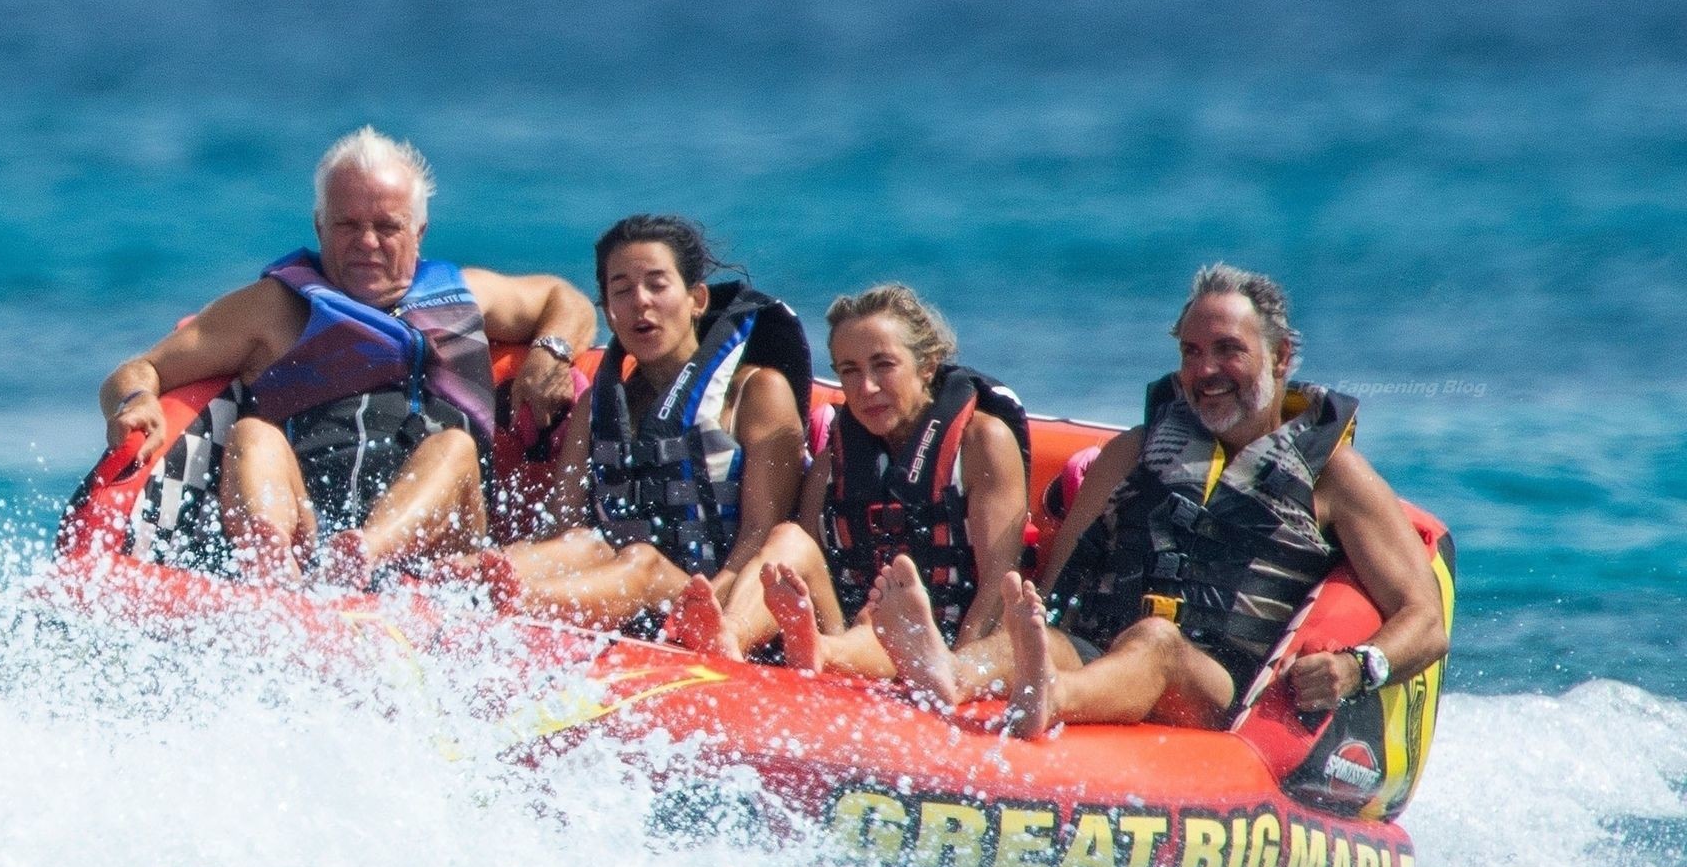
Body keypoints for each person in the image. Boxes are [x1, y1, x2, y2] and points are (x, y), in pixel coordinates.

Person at [871, 263, 1449, 733]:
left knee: (1156, 642)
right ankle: (950, 674)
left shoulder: (1333, 476)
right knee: (1044, 637)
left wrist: (1356, 668)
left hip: (1217, 690)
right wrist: (1021, 633)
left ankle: (1050, 696)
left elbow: (1424, 620)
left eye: (1228, 350)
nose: (1206, 369)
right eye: (1191, 352)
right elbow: (1053, 589)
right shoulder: (1134, 452)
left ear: (1279, 357)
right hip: (1101, 652)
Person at [98, 127, 596, 585]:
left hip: (440, 545)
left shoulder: (468, 296)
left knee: (453, 448)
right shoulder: (273, 310)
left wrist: (549, 352)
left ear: (419, 231)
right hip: (311, 530)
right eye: (347, 225)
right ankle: (273, 572)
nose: (367, 242)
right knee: (251, 434)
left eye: (387, 226)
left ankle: (363, 553)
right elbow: (141, 370)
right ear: (319, 226)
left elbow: (566, 300)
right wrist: (135, 400)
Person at [666, 285, 1031, 679]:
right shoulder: (832, 463)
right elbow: (798, 569)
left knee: (885, 617)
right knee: (790, 538)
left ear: (927, 365)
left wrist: (956, 675)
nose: (866, 388)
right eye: (850, 371)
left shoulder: (983, 444)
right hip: (845, 633)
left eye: (883, 365)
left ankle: (821, 649)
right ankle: (732, 634)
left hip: (933, 648)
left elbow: (998, 586)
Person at [480, 214, 810, 631]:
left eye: (657, 285)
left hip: (725, 604)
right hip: (618, 597)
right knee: (584, 545)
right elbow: (566, 526)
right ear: (609, 313)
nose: (640, 301)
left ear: (697, 300)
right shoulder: (596, 409)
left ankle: (506, 605)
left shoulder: (757, 393)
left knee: (643, 563)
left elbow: (761, 536)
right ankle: (467, 577)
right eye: (622, 290)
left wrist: (710, 609)